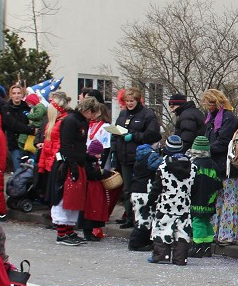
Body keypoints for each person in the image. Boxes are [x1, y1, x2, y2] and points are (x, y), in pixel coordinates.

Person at [48, 94, 103, 246]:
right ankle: (62, 233)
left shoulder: (81, 122)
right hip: (67, 164)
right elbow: (66, 146)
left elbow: (79, 146)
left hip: (77, 162)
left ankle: (69, 230)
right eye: (93, 113)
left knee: (74, 199)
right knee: (65, 197)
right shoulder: (70, 121)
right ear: (88, 110)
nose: (93, 117)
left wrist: (86, 158)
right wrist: (72, 165)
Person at [114, 87, 161, 228]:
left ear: (138, 100)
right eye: (127, 101)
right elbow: (116, 133)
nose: (129, 103)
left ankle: (141, 216)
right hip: (124, 156)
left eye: (132, 101)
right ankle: (129, 216)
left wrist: (133, 135)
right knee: (127, 189)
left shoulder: (147, 115)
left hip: (140, 157)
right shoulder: (122, 115)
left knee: (141, 189)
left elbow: (152, 135)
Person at [147, 135, 194, 266]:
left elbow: (157, 187)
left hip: (166, 204)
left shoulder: (163, 166)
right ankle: (181, 258)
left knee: (163, 228)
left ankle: (162, 255)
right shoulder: (192, 167)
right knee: (182, 230)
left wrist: (150, 201)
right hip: (184, 204)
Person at [201, 89, 238, 246]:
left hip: (228, 166)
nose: (207, 107)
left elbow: (223, 142)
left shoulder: (228, 118)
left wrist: (206, 150)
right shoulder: (212, 118)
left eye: (209, 103)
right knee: (218, 200)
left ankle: (227, 234)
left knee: (229, 200)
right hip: (216, 164)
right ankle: (218, 231)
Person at [188, 135, 222, 257]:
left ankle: (197, 246)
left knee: (197, 221)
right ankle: (207, 246)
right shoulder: (214, 165)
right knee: (207, 220)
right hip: (210, 199)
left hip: (197, 198)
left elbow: (190, 182)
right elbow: (219, 184)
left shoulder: (194, 165)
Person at [127, 143, 163, 252]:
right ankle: (135, 243)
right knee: (144, 219)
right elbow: (160, 165)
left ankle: (143, 242)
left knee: (141, 217)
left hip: (136, 190)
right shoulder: (151, 156)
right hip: (145, 191)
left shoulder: (139, 155)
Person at [36, 90, 71, 202]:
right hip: (49, 158)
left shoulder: (61, 123)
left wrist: (52, 162)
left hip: (54, 159)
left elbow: (58, 144)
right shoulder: (53, 122)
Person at [1, 81, 34, 168]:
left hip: (27, 143)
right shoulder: (6, 109)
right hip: (15, 144)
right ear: (11, 95)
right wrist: (32, 130)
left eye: (19, 93)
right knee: (18, 170)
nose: (16, 95)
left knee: (30, 169)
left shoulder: (27, 107)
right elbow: (14, 125)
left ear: (22, 94)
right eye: (14, 93)